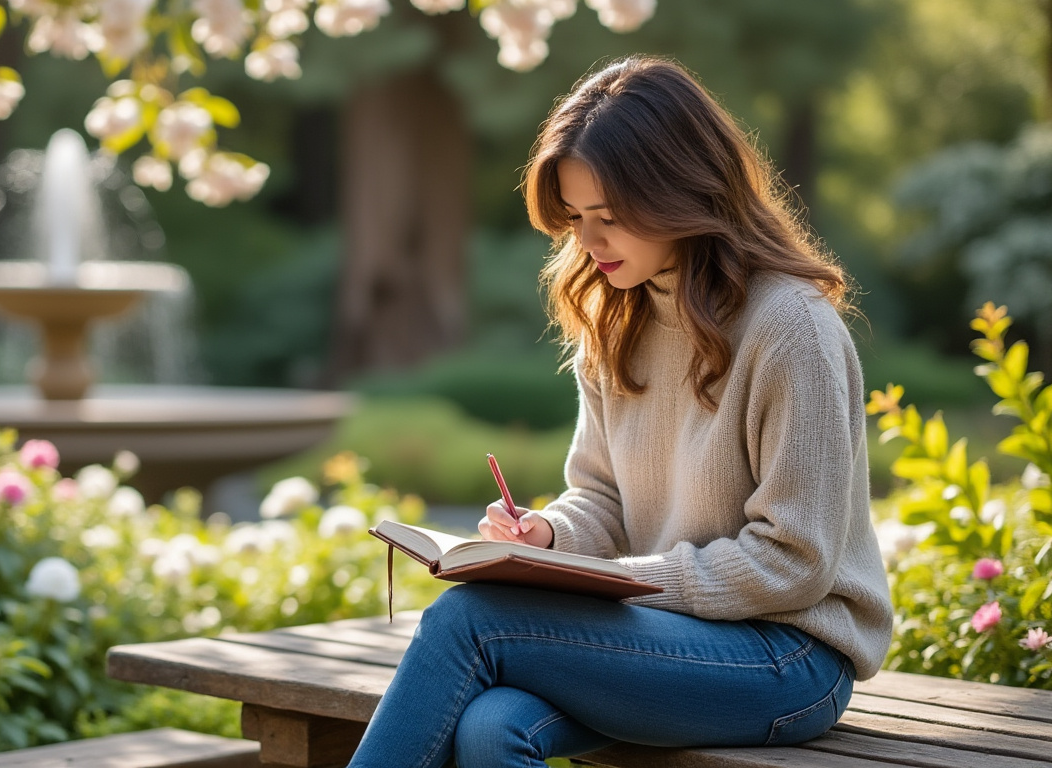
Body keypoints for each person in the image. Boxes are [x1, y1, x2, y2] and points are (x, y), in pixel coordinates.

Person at [345, 56, 893, 768]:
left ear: (684, 192)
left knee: (469, 623)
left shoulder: (791, 328)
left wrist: (631, 582)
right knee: (491, 727)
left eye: (609, 217)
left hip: (787, 657)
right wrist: (546, 536)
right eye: (574, 218)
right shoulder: (616, 316)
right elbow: (603, 498)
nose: (589, 241)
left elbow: (796, 562)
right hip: (662, 637)